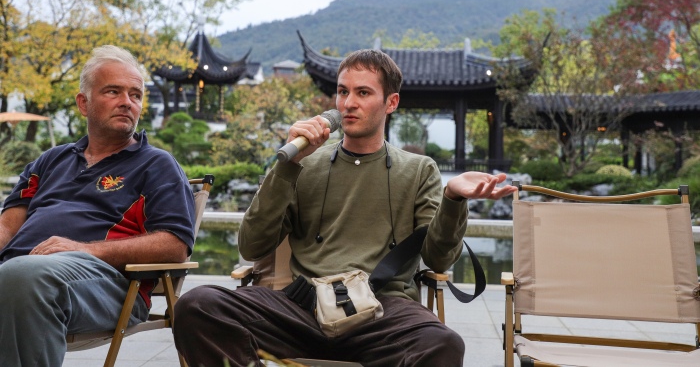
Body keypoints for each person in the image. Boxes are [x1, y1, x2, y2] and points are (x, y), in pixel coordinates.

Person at [173, 49, 516, 366]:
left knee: (443, 344)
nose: (348, 103)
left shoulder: (419, 170)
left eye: (363, 93)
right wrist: (287, 167)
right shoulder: (305, 163)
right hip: (301, 309)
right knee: (198, 306)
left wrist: (453, 199)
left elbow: (439, 260)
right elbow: (251, 246)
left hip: (383, 313)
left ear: (391, 102)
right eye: (342, 92)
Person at [0, 45, 196, 367]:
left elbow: (175, 246)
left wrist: (84, 249)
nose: (127, 102)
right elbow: (7, 226)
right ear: (83, 103)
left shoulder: (157, 165)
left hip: (107, 284)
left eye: (135, 95)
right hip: (17, 272)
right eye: (113, 91)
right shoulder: (51, 160)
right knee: (16, 275)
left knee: (23, 277)